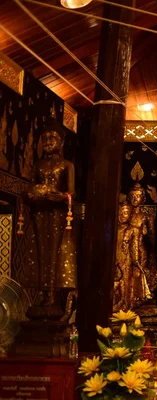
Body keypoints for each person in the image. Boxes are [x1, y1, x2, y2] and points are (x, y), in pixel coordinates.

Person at [25, 119, 76, 318]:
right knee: (40, 251)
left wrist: (62, 196)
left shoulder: (66, 165)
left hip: (57, 214)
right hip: (39, 212)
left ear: (61, 143)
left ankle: (53, 295)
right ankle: (41, 292)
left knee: (54, 252)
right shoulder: (38, 165)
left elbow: (71, 192)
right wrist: (29, 195)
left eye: (52, 138)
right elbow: (30, 186)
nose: (48, 142)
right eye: (44, 138)